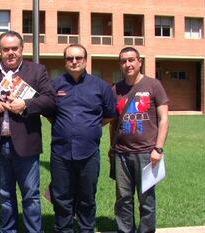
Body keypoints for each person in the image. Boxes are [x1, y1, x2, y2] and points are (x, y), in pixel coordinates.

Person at [0, 30, 56, 233]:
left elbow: (50, 100)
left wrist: (25, 104)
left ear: (22, 49)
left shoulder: (37, 71)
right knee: (4, 194)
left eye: (14, 49)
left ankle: (34, 231)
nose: (10, 53)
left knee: (30, 195)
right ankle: (8, 230)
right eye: (6, 49)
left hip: (26, 143)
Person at [49, 44, 116, 233]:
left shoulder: (101, 86)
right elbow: (49, 113)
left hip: (89, 153)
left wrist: (90, 128)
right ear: (65, 62)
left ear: (85, 60)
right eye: (70, 58)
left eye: (78, 58)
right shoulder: (55, 85)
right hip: (61, 153)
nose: (74, 61)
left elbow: (109, 115)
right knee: (61, 197)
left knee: (87, 198)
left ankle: (86, 230)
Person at [109, 47, 169, 233]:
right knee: (123, 199)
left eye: (131, 60)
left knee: (147, 199)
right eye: (123, 61)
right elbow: (113, 123)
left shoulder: (153, 85)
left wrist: (158, 149)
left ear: (139, 61)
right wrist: (112, 148)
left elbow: (164, 119)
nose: (127, 64)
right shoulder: (116, 88)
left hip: (146, 153)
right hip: (121, 154)